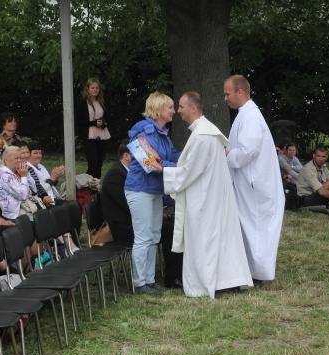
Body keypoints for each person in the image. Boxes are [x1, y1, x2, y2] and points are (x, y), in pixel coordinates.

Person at [152, 91, 252, 298]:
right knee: (217, 239)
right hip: (211, 194)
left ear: (193, 108)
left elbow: (190, 171)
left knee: (205, 239)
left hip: (205, 197)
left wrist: (164, 171)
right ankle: (223, 280)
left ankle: (207, 282)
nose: (178, 111)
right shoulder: (205, 132)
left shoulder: (203, 136)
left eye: (181, 106)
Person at [223, 74, 285, 283]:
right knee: (250, 227)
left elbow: (247, 151)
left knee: (256, 229)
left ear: (240, 91)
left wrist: (226, 154)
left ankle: (258, 272)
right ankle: (251, 269)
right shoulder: (245, 115)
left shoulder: (251, 116)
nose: (225, 98)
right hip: (250, 182)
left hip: (254, 184)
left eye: (227, 93)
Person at [101, 145, 183, 288]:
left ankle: (163, 276)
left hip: (134, 219)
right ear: (127, 156)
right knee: (170, 231)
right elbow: (127, 205)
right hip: (122, 227)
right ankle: (171, 276)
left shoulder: (127, 173)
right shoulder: (116, 174)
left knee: (171, 227)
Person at [125, 92, 181, 294]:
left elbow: (172, 155)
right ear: (158, 109)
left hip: (155, 191)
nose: (174, 111)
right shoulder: (143, 132)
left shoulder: (163, 134)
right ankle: (140, 283)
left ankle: (149, 280)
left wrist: (190, 155)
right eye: (170, 107)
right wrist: (174, 165)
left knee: (154, 235)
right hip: (140, 190)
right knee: (143, 237)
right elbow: (150, 163)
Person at [75, 78, 111, 179]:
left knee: (99, 165)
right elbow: (78, 121)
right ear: (88, 89)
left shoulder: (101, 102)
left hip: (102, 135)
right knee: (93, 165)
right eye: (93, 88)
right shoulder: (82, 102)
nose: (95, 90)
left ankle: (96, 191)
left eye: (97, 88)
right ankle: (87, 189)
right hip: (89, 136)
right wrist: (93, 123)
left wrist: (103, 123)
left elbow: (107, 118)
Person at [0, 146, 31, 220]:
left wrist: (26, 174)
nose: (19, 161)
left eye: (20, 158)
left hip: (22, 208)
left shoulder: (14, 173)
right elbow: (24, 196)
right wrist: (24, 177)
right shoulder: (5, 177)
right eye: (16, 158)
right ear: (6, 161)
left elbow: (33, 189)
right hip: (13, 215)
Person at [17, 140, 54, 207]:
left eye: (27, 152)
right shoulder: (14, 171)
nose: (25, 155)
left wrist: (43, 197)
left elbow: (35, 186)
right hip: (24, 204)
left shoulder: (29, 168)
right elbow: (24, 194)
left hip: (38, 199)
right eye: (22, 153)